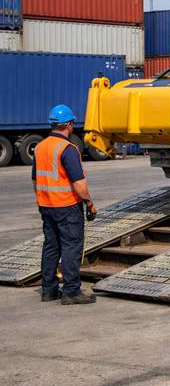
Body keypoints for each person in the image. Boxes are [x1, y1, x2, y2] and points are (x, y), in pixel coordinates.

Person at [32, 104, 97, 305]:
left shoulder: (41, 147)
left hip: (46, 205)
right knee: (71, 248)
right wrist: (89, 203)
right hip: (67, 207)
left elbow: (35, 179)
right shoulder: (68, 149)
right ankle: (71, 291)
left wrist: (43, 199)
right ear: (68, 125)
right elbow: (78, 184)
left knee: (51, 247)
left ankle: (49, 290)